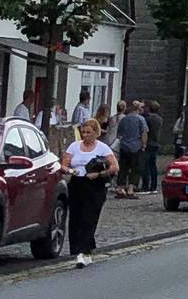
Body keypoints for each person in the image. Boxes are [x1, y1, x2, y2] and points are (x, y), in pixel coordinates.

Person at [61, 117, 116, 267]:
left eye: (89, 132)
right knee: (76, 218)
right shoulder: (74, 146)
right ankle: (81, 249)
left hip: (95, 185)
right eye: (83, 132)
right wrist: (70, 170)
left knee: (89, 217)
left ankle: (83, 252)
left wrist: (99, 174)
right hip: (77, 182)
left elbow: (114, 167)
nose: (85, 135)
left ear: (96, 133)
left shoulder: (103, 148)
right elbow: (64, 165)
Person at [111, 102, 146, 197]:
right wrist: (144, 145)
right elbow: (144, 133)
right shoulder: (141, 119)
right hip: (136, 147)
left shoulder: (124, 119)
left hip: (124, 146)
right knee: (135, 168)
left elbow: (119, 134)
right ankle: (131, 189)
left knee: (123, 168)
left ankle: (120, 189)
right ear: (138, 109)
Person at [139, 102, 167, 192]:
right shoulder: (159, 119)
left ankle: (145, 185)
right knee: (153, 165)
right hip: (155, 143)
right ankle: (154, 185)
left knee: (145, 165)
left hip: (148, 143)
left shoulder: (147, 118)